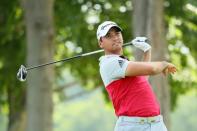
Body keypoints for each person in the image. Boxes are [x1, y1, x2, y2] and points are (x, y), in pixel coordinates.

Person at [97, 21, 177, 131]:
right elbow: (153, 69)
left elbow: (142, 80)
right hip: (133, 126)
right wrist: (164, 64)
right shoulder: (110, 63)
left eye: (117, 34)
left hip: (156, 124)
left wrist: (147, 51)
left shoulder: (122, 62)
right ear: (101, 43)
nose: (115, 38)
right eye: (109, 36)